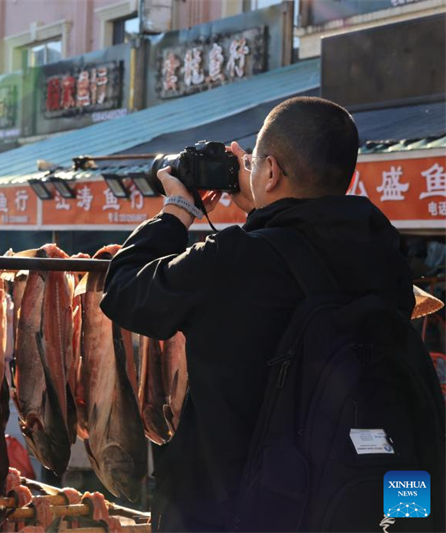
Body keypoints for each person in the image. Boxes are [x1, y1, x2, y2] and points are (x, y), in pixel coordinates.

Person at [99, 96, 415, 531]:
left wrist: (178, 210)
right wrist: (268, 209)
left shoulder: (234, 259)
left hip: (229, 510)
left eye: (255, 165)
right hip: (348, 504)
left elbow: (123, 291)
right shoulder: (387, 256)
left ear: (270, 171)